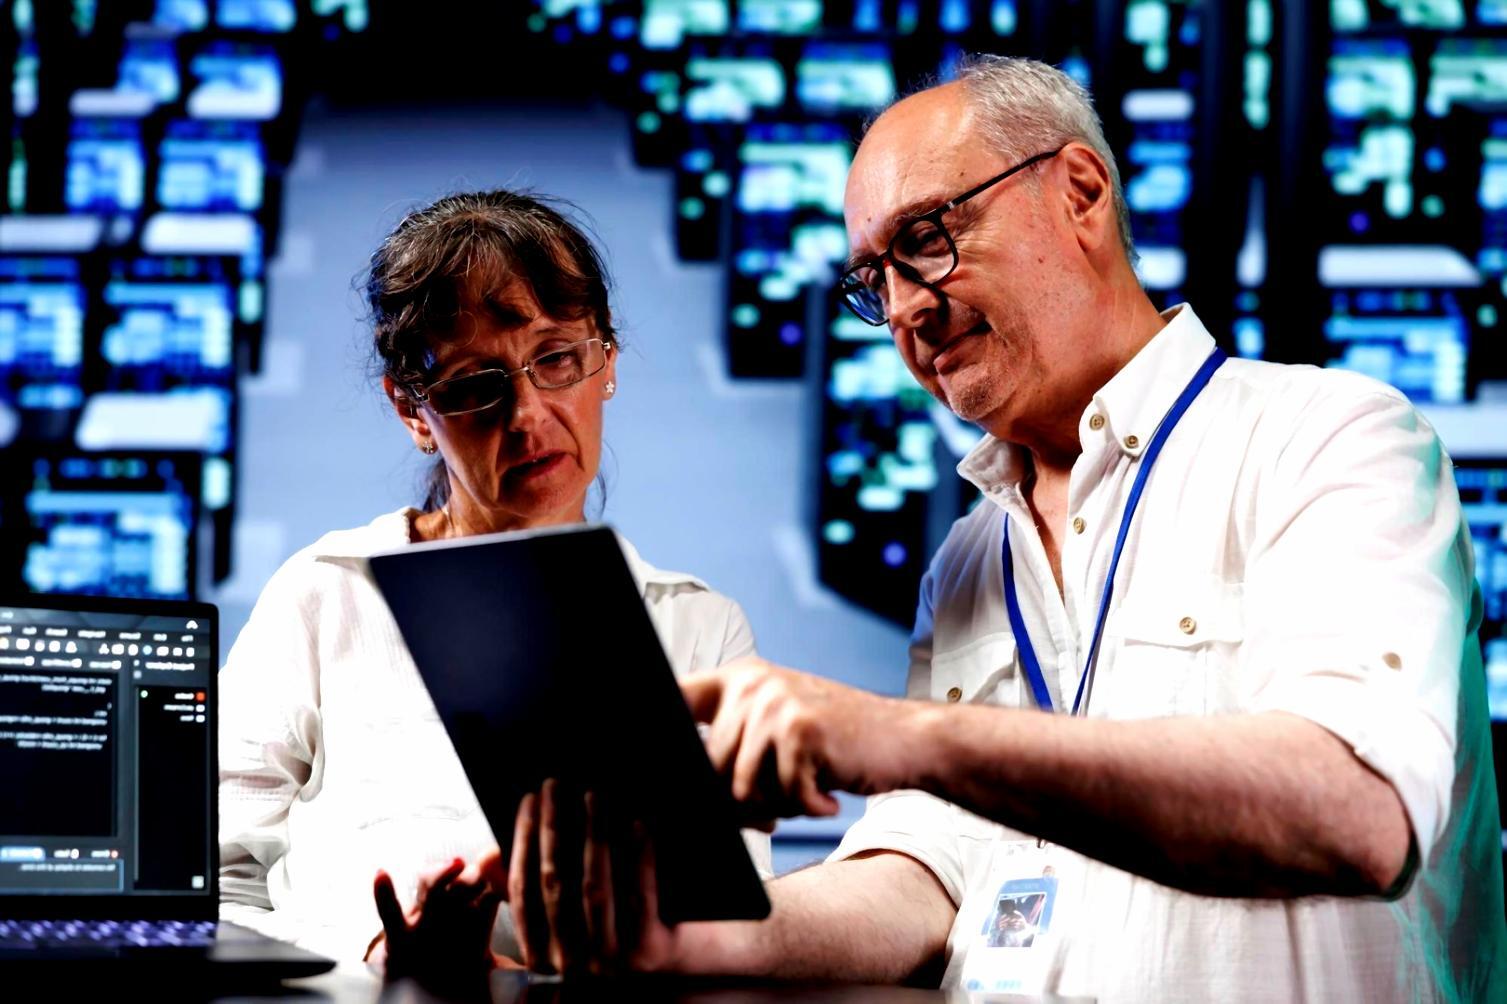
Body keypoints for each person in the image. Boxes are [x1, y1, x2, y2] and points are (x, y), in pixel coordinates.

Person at [499, 56, 1507, 1000]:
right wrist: (668, 931)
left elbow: (1358, 812)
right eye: (872, 280)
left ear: (1079, 192)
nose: (903, 309)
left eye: (925, 239)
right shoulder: (973, 553)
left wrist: (889, 733)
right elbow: (927, 878)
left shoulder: (1327, 439)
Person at [216, 190, 772, 979]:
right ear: (412, 409)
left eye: (556, 359)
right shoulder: (325, 594)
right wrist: (373, 957)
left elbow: (730, 920)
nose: (528, 415)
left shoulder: (697, 628)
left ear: (606, 361)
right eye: (477, 384)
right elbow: (212, 886)